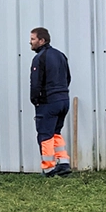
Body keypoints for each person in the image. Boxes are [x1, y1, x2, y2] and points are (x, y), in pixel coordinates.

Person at [29, 27, 72, 177]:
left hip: (48, 102)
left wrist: (35, 100)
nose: (30, 42)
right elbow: (68, 78)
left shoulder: (40, 58)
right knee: (55, 132)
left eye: (33, 39)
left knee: (45, 135)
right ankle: (64, 163)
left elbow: (36, 83)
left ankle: (48, 168)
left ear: (42, 40)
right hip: (63, 100)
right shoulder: (60, 55)